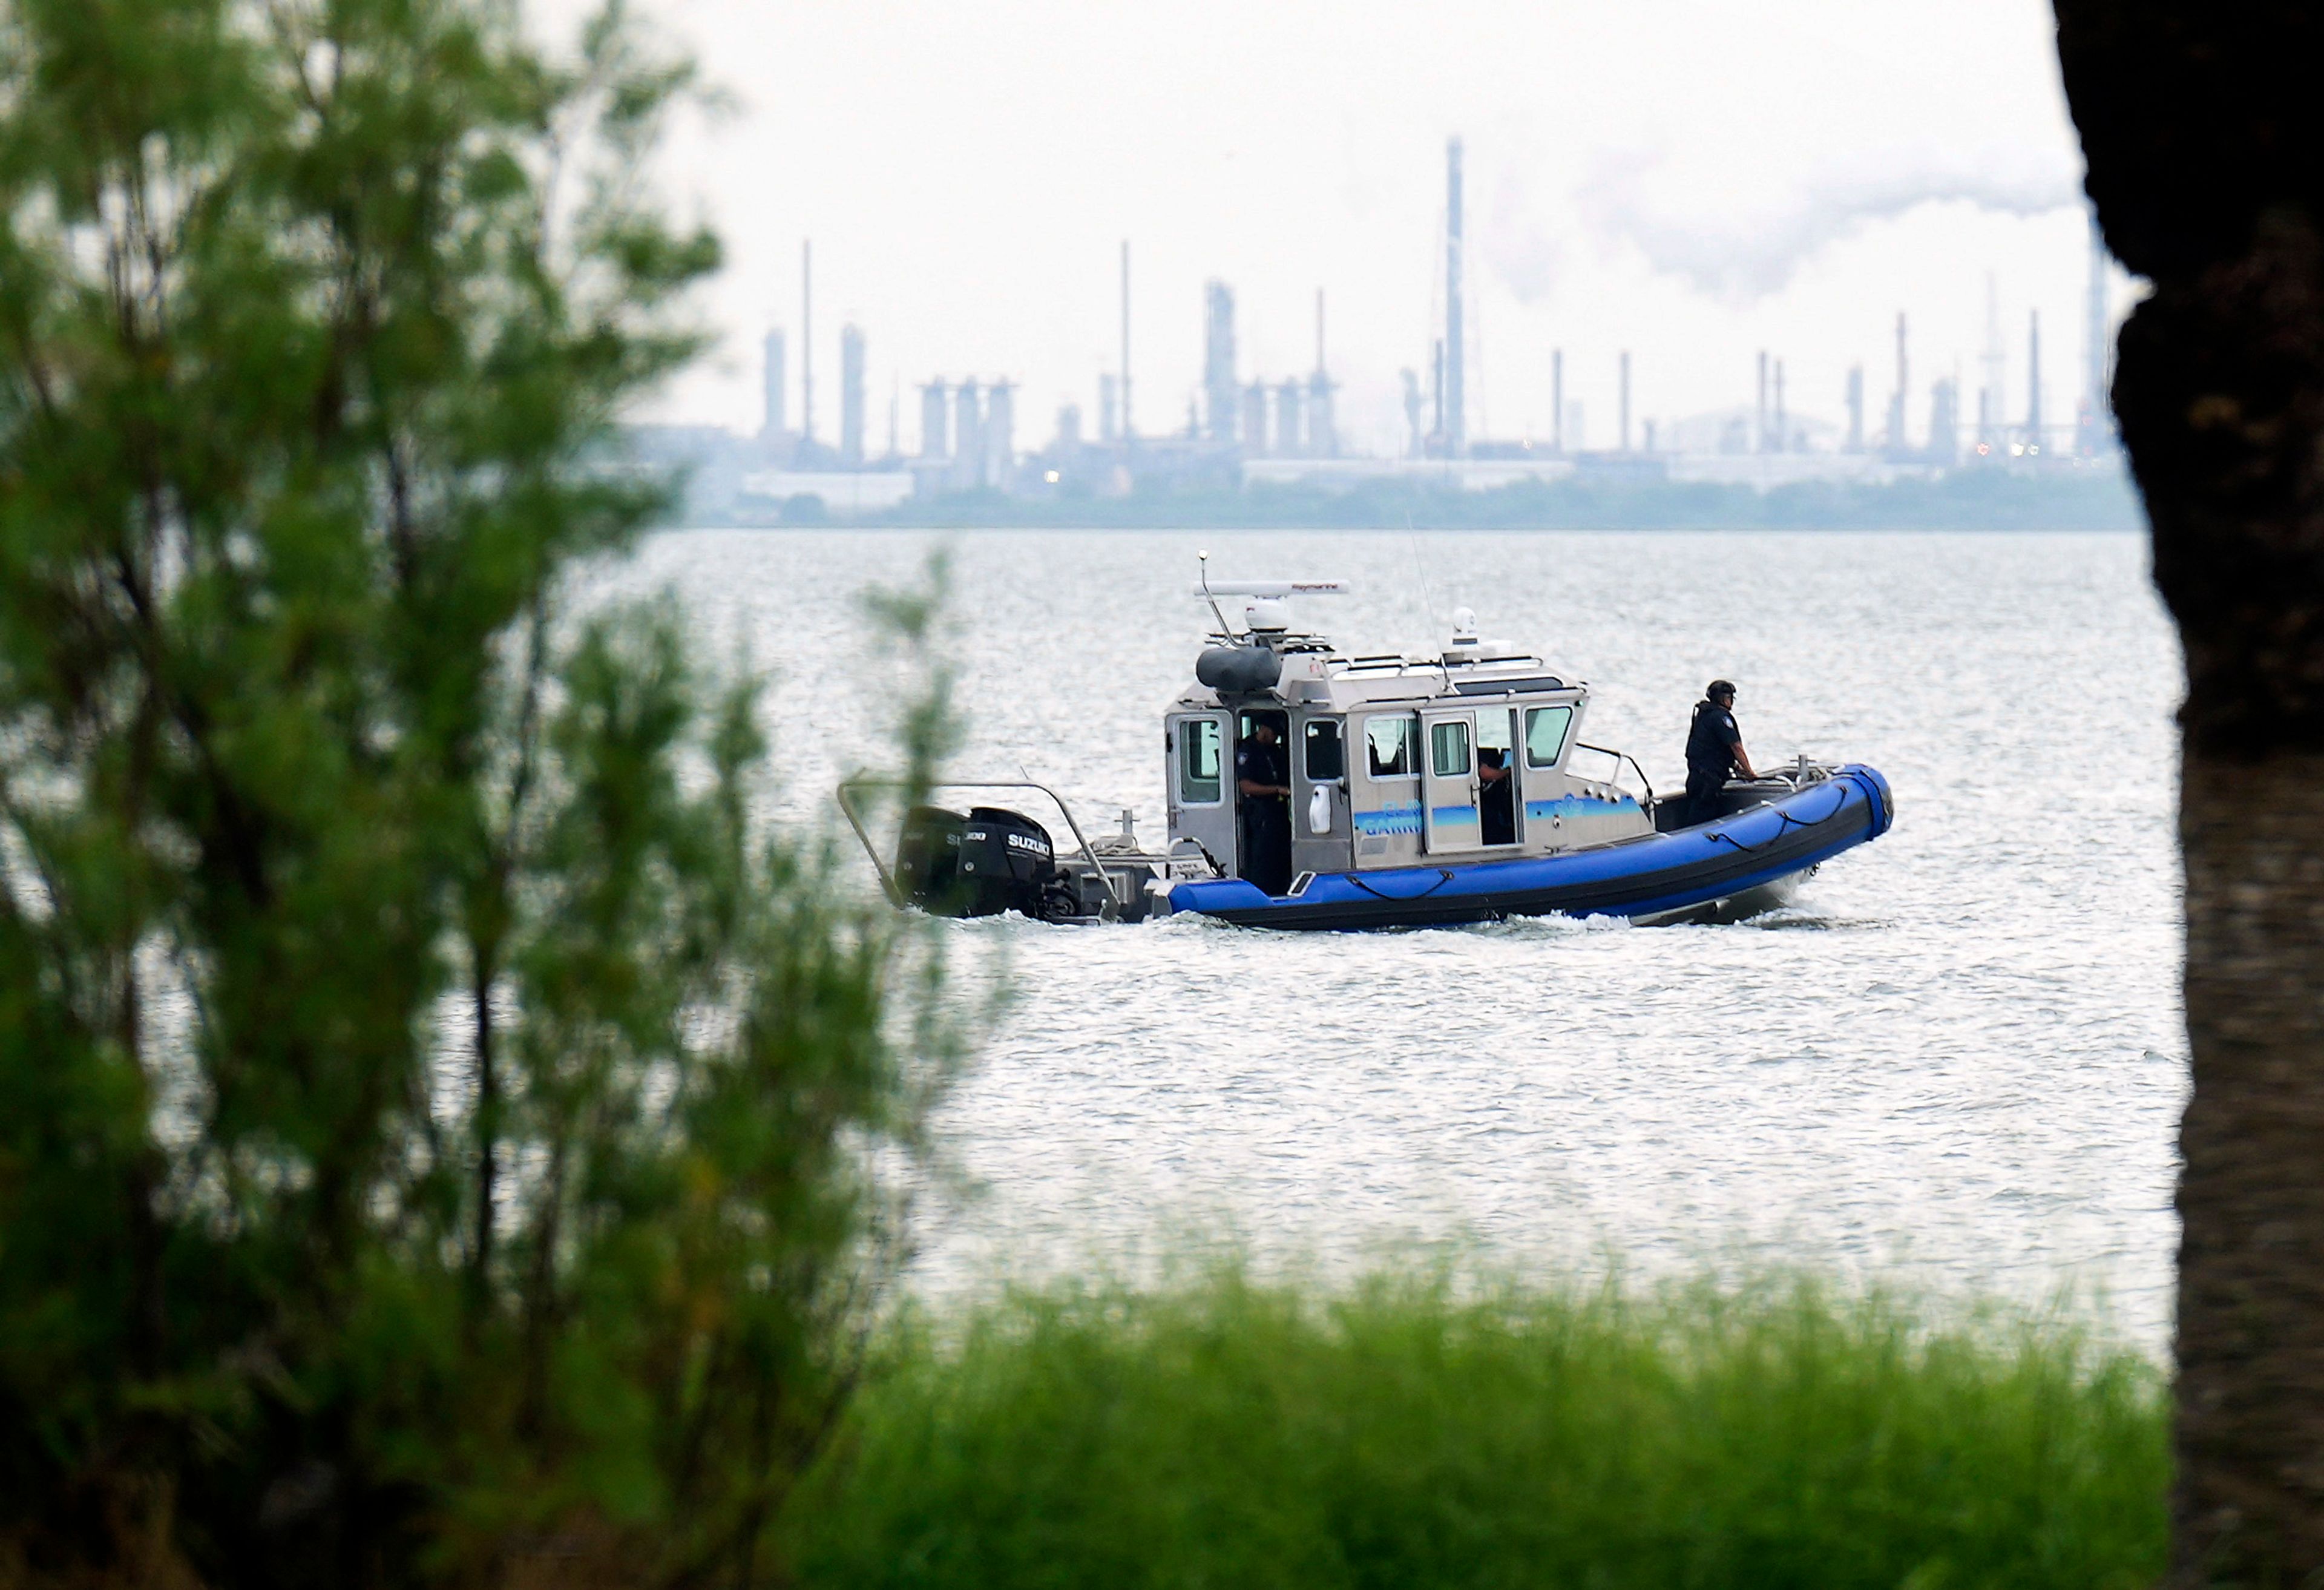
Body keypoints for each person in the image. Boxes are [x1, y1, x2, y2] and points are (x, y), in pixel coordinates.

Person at [1683, 679, 1759, 824]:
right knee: (1703, 817)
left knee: (1697, 813)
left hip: (1696, 776)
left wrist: (1736, 767)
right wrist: (1750, 773)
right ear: (1725, 699)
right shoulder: (1721, 718)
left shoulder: (1703, 715)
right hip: (1708, 781)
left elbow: (1710, 749)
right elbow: (1736, 747)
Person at [1235, 720, 1294, 895]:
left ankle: (1282, 888)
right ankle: (1262, 892)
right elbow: (1246, 786)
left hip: (1279, 813)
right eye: (1274, 734)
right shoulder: (1248, 751)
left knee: (1280, 854)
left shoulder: (1274, 751)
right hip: (1260, 814)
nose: (1276, 738)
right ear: (1264, 729)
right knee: (1263, 857)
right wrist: (1276, 789)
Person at [1478, 745, 1516, 846]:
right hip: (1484, 804)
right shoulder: (1480, 754)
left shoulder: (1495, 757)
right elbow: (1485, 773)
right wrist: (1508, 771)